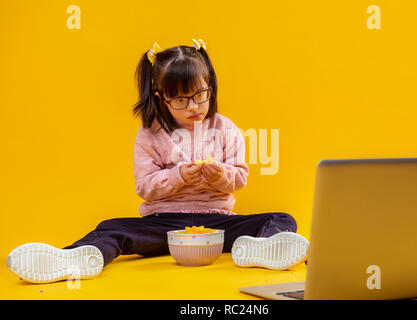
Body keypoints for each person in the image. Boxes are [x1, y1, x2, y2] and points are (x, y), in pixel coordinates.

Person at [6, 39, 309, 284]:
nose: (194, 106)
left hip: (217, 226)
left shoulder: (225, 128)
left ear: (210, 87)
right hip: (162, 226)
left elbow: (240, 178)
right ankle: (74, 257)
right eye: (180, 100)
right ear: (160, 97)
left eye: (200, 95)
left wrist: (220, 175)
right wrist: (180, 176)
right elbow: (146, 187)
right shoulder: (150, 134)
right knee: (110, 227)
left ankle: (265, 248)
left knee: (281, 219)